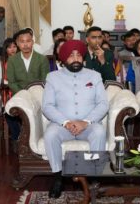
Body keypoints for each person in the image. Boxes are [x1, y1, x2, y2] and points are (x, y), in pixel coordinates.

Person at [42, 40, 108, 198]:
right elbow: (47, 106)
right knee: (50, 134)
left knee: (99, 132)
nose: (76, 58)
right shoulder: (53, 77)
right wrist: (66, 122)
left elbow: (103, 104)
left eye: (79, 55)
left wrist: (86, 122)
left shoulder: (94, 75)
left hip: (88, 125)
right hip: (62, 126)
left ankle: (94, 178)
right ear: (63, 58)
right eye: (71, 56)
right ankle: (58, 178)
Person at [6, 28, 49, 141]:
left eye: (28, 41)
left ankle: (39, 138)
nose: (25, 44)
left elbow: (44, 81)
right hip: (19, 94)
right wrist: (23, 93)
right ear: (18, 43)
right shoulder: (12, 60)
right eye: (22, 41)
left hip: (38, 95)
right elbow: (12, 82)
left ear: (33, 42)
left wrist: (34, 93)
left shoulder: (42, 59)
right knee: (9, 112)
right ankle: (19, 140)